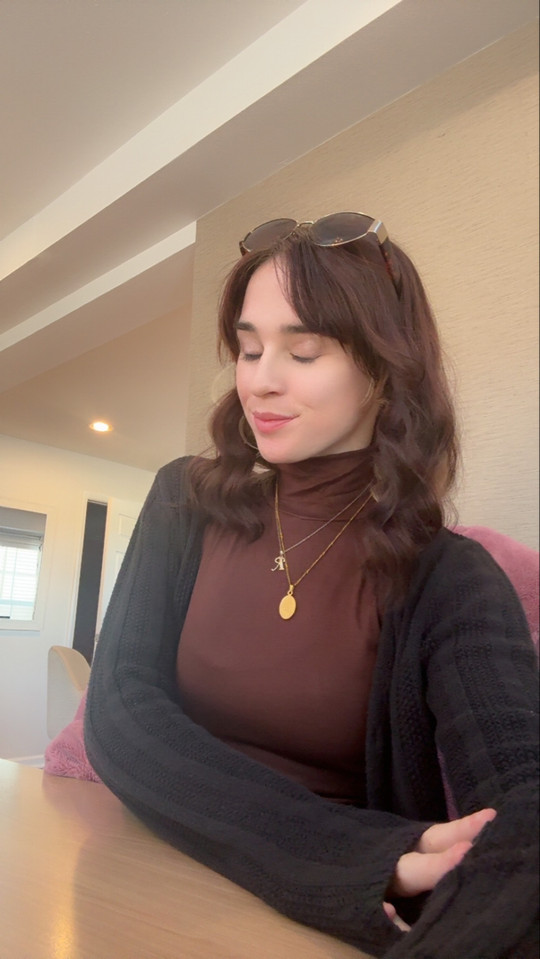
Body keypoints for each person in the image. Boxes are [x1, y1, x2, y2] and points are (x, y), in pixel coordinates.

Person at [82, 213, 538, 958]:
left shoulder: (449, 576)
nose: (260, 380)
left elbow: (523, 796)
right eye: (249, 348)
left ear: (384, 368)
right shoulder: (183, 501)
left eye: (303, 351)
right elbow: (120, 717)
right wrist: (346, 852)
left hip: (317, 924)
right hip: (136, 867)